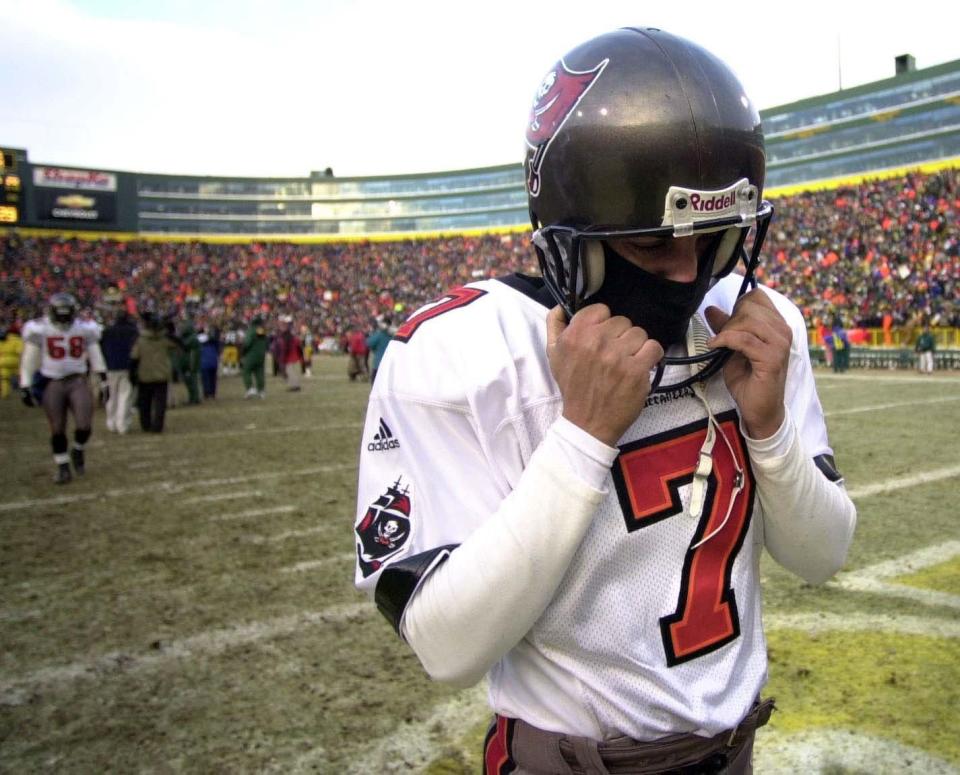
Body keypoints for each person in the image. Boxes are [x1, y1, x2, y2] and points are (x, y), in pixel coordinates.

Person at [354, 28, 857, 775]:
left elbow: (824, 553)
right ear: (569, 228)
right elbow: (444, 644)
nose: (688, 269)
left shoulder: (753, 325)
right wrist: (582, 437)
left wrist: (771, 429)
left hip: (734, 753)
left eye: (713, 232)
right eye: (653, 244)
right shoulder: (460, 354)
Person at [19, 292, 109, 483]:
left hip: (77, 379)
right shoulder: (40, 329)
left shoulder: (83, 328)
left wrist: (103, 378)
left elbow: (95, 354)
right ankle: (63, 467)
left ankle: (78, 449)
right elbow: (29, 359)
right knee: (57, 428)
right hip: (53, 381)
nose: (63, 318)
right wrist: (25, 384)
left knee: (84, 425)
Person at [129, 310, 178, 432]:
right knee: (160, 403)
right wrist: (169, 328)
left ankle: (146, 425)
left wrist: (132, 374)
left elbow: (134, 357)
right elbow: (177, 344)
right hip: (161, 374)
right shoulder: (164, 339)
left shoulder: (140, 340)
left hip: (144, 375)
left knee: (144, 402)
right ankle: (158, 425)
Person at [100, 306, 139, 433]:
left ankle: (111, 422)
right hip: (127, 366)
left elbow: (102, 349)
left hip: (111, 366)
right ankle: (122, 424)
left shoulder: (107, 331)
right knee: (125, 396)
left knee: (112, 395)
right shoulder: (133, 331)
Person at [241, 314, 268, 399]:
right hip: (261, 355)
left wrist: (243, 352)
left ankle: (250, 388)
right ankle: (261, 391)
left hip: (251, 355)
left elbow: (247, 343)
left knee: (246, 370)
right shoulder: (262, 330)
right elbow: (267, 342)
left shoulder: (251, 330)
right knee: (259, 373)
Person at [365, 314, 394, 385]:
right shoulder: (393, 334)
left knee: (376, 387)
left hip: (379, 364)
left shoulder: (380, 334)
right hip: (391, 365)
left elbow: (368, 343)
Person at [0, 320, 23, 399]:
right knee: (21, 375)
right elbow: (20, 350)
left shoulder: (1, 340)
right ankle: (24, 391)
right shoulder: (16, 339)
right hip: (14, 361)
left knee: (5, 379)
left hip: (2, 361)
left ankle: (5, 394)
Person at [198, 325, 222, 398]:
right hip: (213, 362)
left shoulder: (200, 343)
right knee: (213, 378)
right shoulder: (215, 343)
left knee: (205, 379)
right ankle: (212, 393)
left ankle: (207, 393)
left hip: (204, 362)